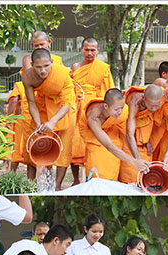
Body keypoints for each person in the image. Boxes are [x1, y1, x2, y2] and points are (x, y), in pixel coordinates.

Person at [22, 48, 76, 190]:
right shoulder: (28, 77)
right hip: (43, 108)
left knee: (64, 149)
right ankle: (34, 185)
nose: (43, 71)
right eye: (38, 67)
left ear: (52, 62)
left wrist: (53, 121)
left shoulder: (62, 74)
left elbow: (67, 104)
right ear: (32, 64)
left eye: (46, 66)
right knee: (40, 145)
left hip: (64, 111)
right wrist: (38, 123)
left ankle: (57, 187)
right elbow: (31, 102)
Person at [70, 37, 115, 185]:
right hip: (78, 108)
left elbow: (109, 90)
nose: (89, 53)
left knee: (93, 144)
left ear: (97, 50)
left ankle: (91, 178)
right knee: (76, 144)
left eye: (92, 50)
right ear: (82, 50)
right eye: (87, 49)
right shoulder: (76, 67)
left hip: (95, 108)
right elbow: (70, 88)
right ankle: (76, 180)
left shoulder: (102, 68)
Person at [79, 88, 150, 180]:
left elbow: (128, 135)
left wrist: (138, 159)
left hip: (111, 127)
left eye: (121, 107)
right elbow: (109, 146)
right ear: (106, 106)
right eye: (116, 109)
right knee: (98, 158)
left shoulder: (122, 112)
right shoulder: (93, 117)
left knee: (115, 154)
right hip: (90, 130)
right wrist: (133, 162)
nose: (119, 112)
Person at [119, 84, 164, 183]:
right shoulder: (134, 102)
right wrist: (138, 160)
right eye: (151, 105)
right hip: (127, 133)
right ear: (143, 97)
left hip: (143, 135)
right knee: (130, 171)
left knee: (145, 175)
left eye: (157, 105)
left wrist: (148, 139)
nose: (153, 108)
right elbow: (129, 134)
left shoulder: (161, 93)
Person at [5, 81, 33, 173]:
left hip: (22, 119)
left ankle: (12, 174)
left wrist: (9, 117)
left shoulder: (20, 85)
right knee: (33, 148)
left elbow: (13, 100)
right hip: (37, 120)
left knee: (17, 149)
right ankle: (34, 180)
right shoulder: (40, 84)